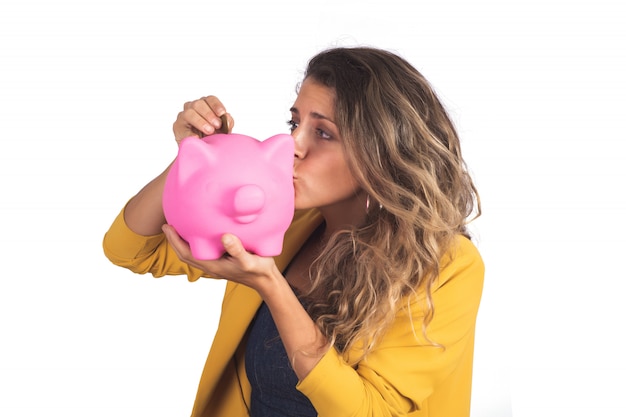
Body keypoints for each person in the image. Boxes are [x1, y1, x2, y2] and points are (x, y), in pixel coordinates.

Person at [103, 46, 484, 417]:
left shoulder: (446, 265)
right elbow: (131, 249)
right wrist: (194, 155)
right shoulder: (281, 227)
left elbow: (372, 410)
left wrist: (271, 286)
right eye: (294, 124)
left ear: (382, 152)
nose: (291, 145)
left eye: (323, 133)